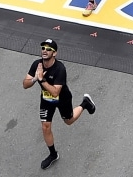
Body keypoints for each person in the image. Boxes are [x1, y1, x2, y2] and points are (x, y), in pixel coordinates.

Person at [23, 39, 96, 170]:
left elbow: (56, 92)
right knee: (45, 127)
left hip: (62, 98)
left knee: (69, 121)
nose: (45, 50)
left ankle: (85, 103)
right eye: (43, 48)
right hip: (46, 99)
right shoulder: (37, 65)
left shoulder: (60, 68)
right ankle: (53, 154)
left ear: (55, 53)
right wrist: (34, 78)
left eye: (49, 49)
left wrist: (42, 80)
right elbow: (25, 84)